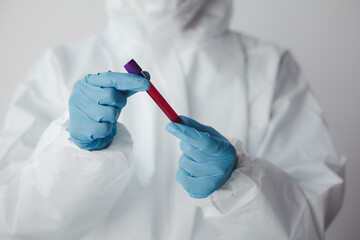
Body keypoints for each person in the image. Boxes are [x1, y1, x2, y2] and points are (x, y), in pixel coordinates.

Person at [0, 0, 345, 239]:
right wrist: (74, 152)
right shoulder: (58, 67)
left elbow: (306, 228)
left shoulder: (270, 68)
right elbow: (18, 219)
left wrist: (239, 186)